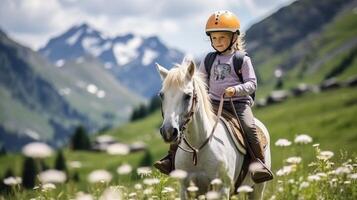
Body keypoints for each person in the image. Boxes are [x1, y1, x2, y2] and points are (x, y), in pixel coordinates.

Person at [154, 11, 273, 182]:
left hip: (238, 105)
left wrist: (236, 90)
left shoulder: (241, 59)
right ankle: (171, 158)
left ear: (234, 37)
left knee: (249, 127)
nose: (218, 42)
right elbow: (201, 82)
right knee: (184, 123)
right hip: (214, 103)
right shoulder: (209, 59)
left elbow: (252, 84)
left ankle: (259, 163)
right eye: (214, 38)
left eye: (222, 38)